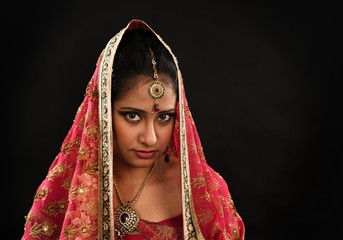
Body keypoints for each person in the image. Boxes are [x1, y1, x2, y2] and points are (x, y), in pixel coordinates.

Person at [22, 19, 245, 240]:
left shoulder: (206, 192)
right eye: (133, 116)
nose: (150, 138)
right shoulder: (66, 188)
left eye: (164, 117)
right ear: (102, 112)